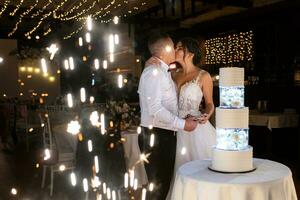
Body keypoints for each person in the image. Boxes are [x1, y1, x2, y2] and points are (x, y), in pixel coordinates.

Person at [138, 32, 198, 200]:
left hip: (163, 135)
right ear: (165, 49)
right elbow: (155, 110)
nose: (174, 49)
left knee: (162, 186)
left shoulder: (162, 70)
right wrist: (183, 125)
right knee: (157, 189)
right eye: (172, 47)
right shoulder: (154, 73)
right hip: (156, 137)